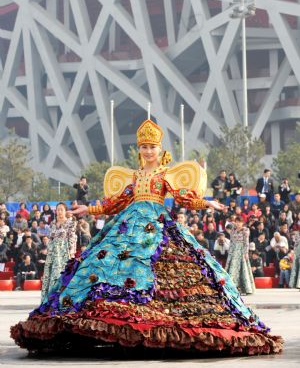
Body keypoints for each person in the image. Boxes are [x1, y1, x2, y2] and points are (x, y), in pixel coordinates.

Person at [11, 120, 283, 355]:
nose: (148, 151)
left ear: (159, 149)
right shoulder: (136, 176)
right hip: (126, 224)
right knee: (104, 266)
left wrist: (207, 204)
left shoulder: (164, 175)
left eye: (152, 147)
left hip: (156, 223)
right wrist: (88, 209)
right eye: (144, 147)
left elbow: (182, 197)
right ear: (140, 150)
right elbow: (114, 203)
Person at [40, 203, 77, 301]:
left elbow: (72, 238)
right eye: (58, 209)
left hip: (63, 253)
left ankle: (62, 299)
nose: (59, 212)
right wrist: (48, 249)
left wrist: (72, 253)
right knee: (51, 275)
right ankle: (50, 299)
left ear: (65, 211)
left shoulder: (70, 223)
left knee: (60, 274)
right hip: (53, 253)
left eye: (61, 209)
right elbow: (50, 238)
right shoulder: (52, 223)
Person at [225, 217, 255, 295]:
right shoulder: (233, 230)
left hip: (241, 251)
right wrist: (230, 252)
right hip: (233, 251)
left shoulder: (245, 230)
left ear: (242, 223)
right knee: (232, 268)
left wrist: (246, 253)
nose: (238, 223)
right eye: (237, 222)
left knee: (243, 269)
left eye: (239, 222)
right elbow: (231, 242)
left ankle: (245, 288)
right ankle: (232, 287)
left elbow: (246, 242)